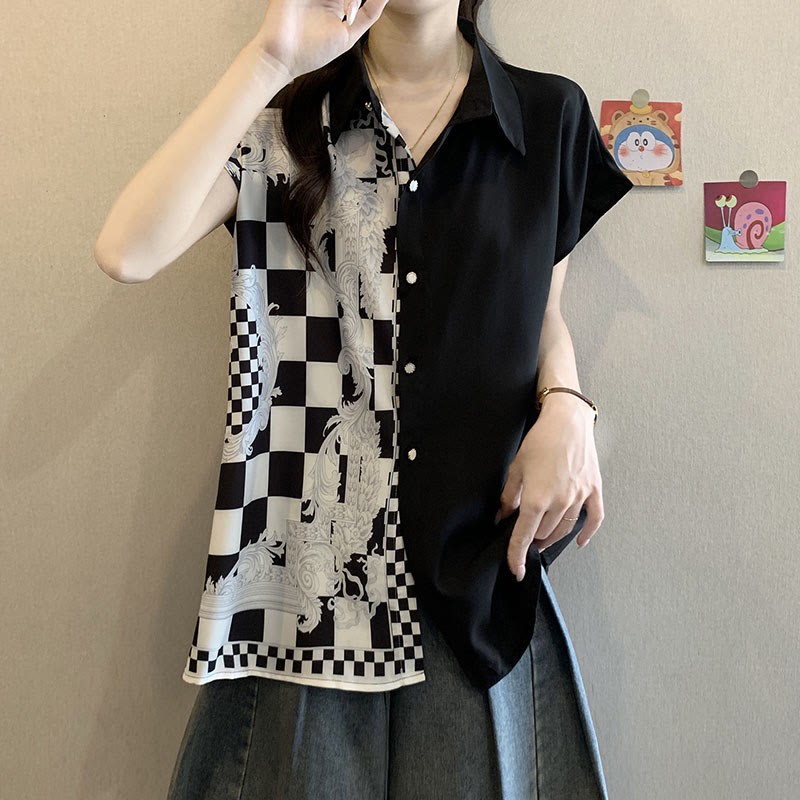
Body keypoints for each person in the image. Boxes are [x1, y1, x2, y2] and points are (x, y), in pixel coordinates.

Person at [94, 0, 633, 797]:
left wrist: (568, 407)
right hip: (312, 588)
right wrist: (269, 60)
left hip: (474, 572)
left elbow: (539, 309)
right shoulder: (289, 122)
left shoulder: (546, 117)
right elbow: (126, 251)